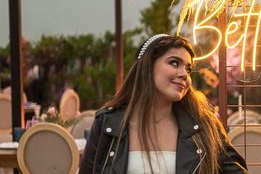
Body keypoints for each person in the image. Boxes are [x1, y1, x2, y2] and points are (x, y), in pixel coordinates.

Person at [80, 34, 248, 174]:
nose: (183, 74)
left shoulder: (204, 125)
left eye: (188, 69)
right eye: (174, 63)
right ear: (147, 66)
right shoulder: (108, 123)